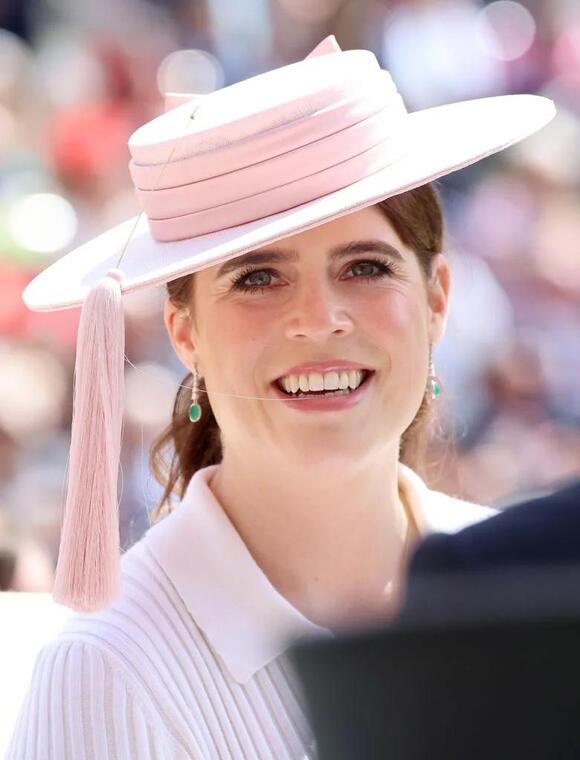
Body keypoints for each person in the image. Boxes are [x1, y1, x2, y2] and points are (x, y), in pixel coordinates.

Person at [6, 35, 555, 760]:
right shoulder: (109, 669)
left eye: (364, 266)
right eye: (259, 277)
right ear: (184, 333)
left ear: (437, 300)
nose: (319, 317)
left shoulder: (531, 596)